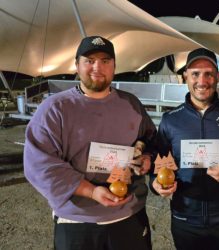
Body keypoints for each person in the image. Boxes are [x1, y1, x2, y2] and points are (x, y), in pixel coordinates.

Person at [24, 36, 156, 250]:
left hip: (129, 216)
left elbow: (150, 139)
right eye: (89, 60)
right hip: (77, 222)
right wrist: (91, 191)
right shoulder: (55, 109)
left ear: (114, 66)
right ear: (77, 65)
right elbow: (38, 165)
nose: (97, 67)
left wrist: (146, 158)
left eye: (105, 60)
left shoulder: (131, 104)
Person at [150, 48, 219, 250]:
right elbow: (158, 162)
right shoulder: (171, 120)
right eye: (195, 73)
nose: (202, 81)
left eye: (208, 74)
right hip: (185, 218)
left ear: (217, 77)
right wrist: (155, 184)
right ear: (186, 75)